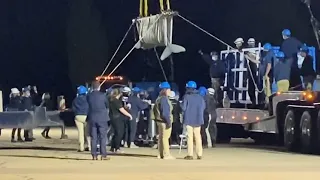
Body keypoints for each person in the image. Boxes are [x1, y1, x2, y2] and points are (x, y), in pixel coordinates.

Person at [181, 81, 205, 160]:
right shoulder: (200, 97)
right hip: (198, 120)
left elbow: (183, 108)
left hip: (188, 120)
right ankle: (199, 154)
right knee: (198, 137)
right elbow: (203, 107)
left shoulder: (186, 97)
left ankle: (190, 154)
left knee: (190, 137)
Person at [87, 81, 111, 160]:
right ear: (99, 87)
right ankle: (103, 154)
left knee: (93, 137)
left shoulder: (89, 96)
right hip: (102, 118)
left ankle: (94, 155)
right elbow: (107, 106)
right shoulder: (103, 96)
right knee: (102, 137)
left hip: (92, 118)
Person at [153, 82, 175, 160]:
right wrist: (168, 122)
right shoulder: (164, 99)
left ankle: (160, 154)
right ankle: (167, 154)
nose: (170, 91)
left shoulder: (158, 98)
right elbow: (165, 113)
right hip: (164, 121)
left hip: (159, 121)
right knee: (165, 138)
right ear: (165, 90)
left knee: (161, 138)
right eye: (169, 89)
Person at [109, 88, 133, 153]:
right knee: (119, 133)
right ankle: (117, 148)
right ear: (119, 94)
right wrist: (129, 115)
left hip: (112, 118)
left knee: (116, 133)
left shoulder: (111, 100)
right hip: (117, 118)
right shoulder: (116, 101)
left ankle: (113, 147)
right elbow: (121, 110)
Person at [72, 85, 90, 152]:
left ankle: (81, 147)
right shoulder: (88, 99)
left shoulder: (75, 99)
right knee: (87, 132)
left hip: (78, 116)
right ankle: (89, 146)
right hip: (86, 116)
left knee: (80, 133)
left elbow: (73, 109)